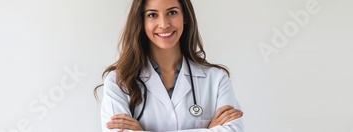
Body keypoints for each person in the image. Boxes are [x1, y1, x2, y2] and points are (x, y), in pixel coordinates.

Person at [94, 0, 244, 131]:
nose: (164, 24)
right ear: (141, 21)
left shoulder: (216, 79)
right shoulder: (119, 81)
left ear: (184, 16)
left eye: (172, 12)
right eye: (152, 15)